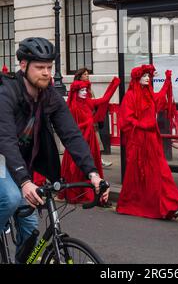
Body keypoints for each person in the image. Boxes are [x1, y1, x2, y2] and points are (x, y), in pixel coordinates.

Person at [0, 37, 108, 260]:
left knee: (30, 227)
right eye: (40, 67)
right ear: (23, 65)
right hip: (2, 158)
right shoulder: (7, 91)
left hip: (20, 164)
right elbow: (6, 140)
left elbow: (72, 135)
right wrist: (25, 181)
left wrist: (93, 173)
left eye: (49, 67)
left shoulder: (49, 96)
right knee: (11, 197)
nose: (47, 73)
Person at [116, 64, 178, 220]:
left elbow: (159, 98)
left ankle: (172, 205)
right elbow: (126, 119)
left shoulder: (148, 93)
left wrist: (167, 81)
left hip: (152, 140)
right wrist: (142, 125)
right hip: (138, 141)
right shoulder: (131, 96)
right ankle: (135, 204)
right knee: (137, 174)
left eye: (149, 76)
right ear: (137, 78)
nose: (148, 78)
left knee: (161, 172)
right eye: (145, 76)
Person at [58, 75, 120, 204]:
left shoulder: (88, 102)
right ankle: (76, 190)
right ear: (76, 92)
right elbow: (71, 126)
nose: (85, 92)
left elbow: (104, 99)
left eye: (86, 90)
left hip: (90, 137)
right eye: (82, 90)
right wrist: (86, 123)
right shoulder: (72, 107)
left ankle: (91, 189)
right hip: (78, 138)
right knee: (76, 164)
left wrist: (114, 84)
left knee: (91, 163)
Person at [73, 67, 112, 168]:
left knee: (96, 141)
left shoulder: (88, 88)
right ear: (80, 76)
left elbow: (98, 100)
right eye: (85, 74)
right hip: (85, 120)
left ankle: (98, 159)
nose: (87, 76)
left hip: (91, 117)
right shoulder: (78, 89)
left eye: (87, 74)